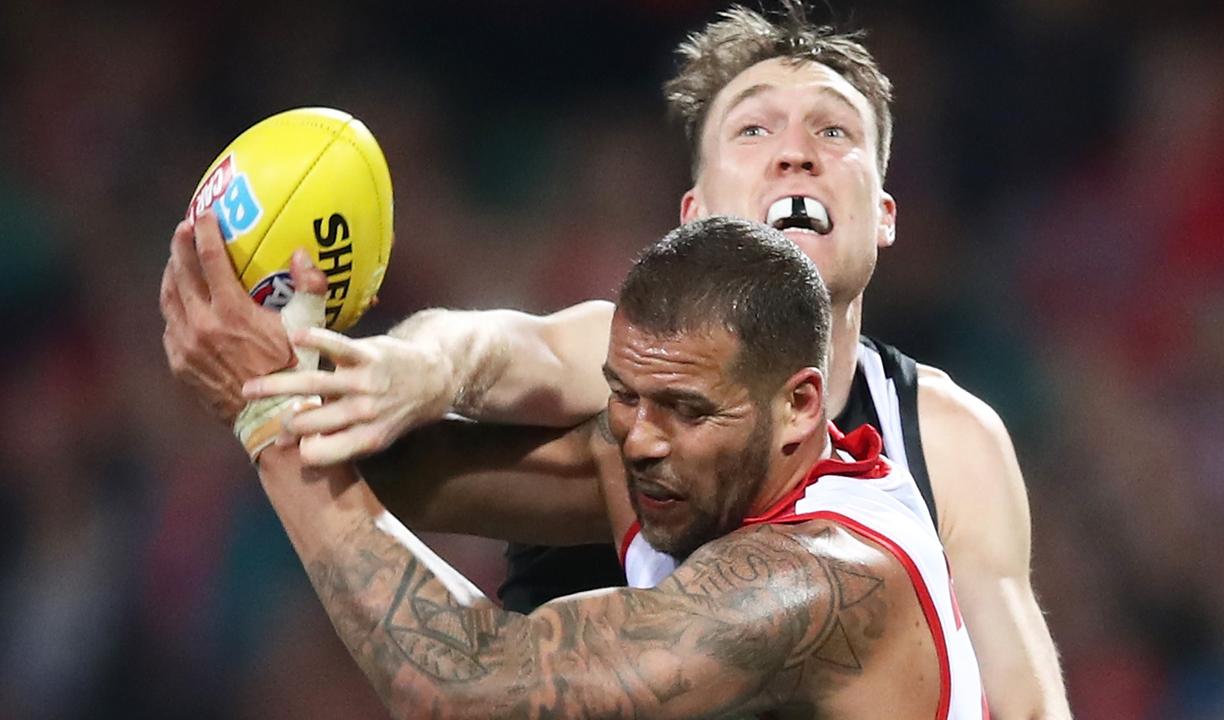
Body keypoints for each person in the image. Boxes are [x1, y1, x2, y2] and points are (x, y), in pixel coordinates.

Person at [164, 4, 1070, 718]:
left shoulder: (848, 549)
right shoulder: (644, 394)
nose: (795, 150)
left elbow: (466, 686)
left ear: (883, 212)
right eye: (753, 131)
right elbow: (485, 351)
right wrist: (350, 373)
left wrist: (273, 415)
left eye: (833, 133)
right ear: (693, 210)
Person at [165, 213, 986, 718]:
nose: (640, 439)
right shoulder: (676, 461)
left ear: (801, 407)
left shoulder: (818, 582)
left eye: (686, 410)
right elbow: (379, 474)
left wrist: (269, 413)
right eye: (624, 395)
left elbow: (468, 688)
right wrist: (291, 347)